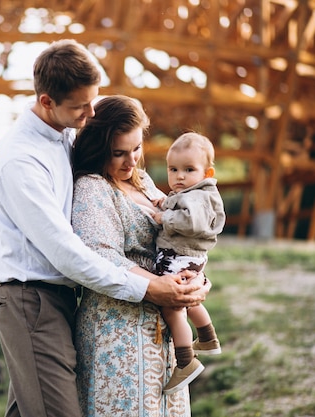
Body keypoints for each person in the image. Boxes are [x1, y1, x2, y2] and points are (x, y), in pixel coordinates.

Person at [0, 39, 210, 417]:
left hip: (60, 299)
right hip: (30, 299)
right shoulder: (21, 161)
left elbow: (179, 234)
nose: (91, 113)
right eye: (81, 106)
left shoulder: (67, 135)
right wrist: (151, 287)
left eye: (94, 100)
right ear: (46, 102)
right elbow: (67, 252)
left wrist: (194, 279)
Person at [71, 95, 198, 416]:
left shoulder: (143, 182)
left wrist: (195, 282)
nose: (131, 161)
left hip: (164, 334)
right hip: (119, 332)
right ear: (99, 148)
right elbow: (99, 256)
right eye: (119, 153)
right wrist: (161, 285)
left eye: (136, 149)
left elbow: (181, 238)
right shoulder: (92, 187)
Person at [151, 132, 226, 394]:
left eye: (188, 169)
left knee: (173, 308)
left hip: (178, 256)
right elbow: (182, 204)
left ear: (207, 172)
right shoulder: (201, 192)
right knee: (189, 301)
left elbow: (191, 221)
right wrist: (167, 202)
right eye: (173, 169)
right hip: (191, 258)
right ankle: (207, 337)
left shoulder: (196, 197)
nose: (179, 176)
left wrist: (164, 219)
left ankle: (185, 360)